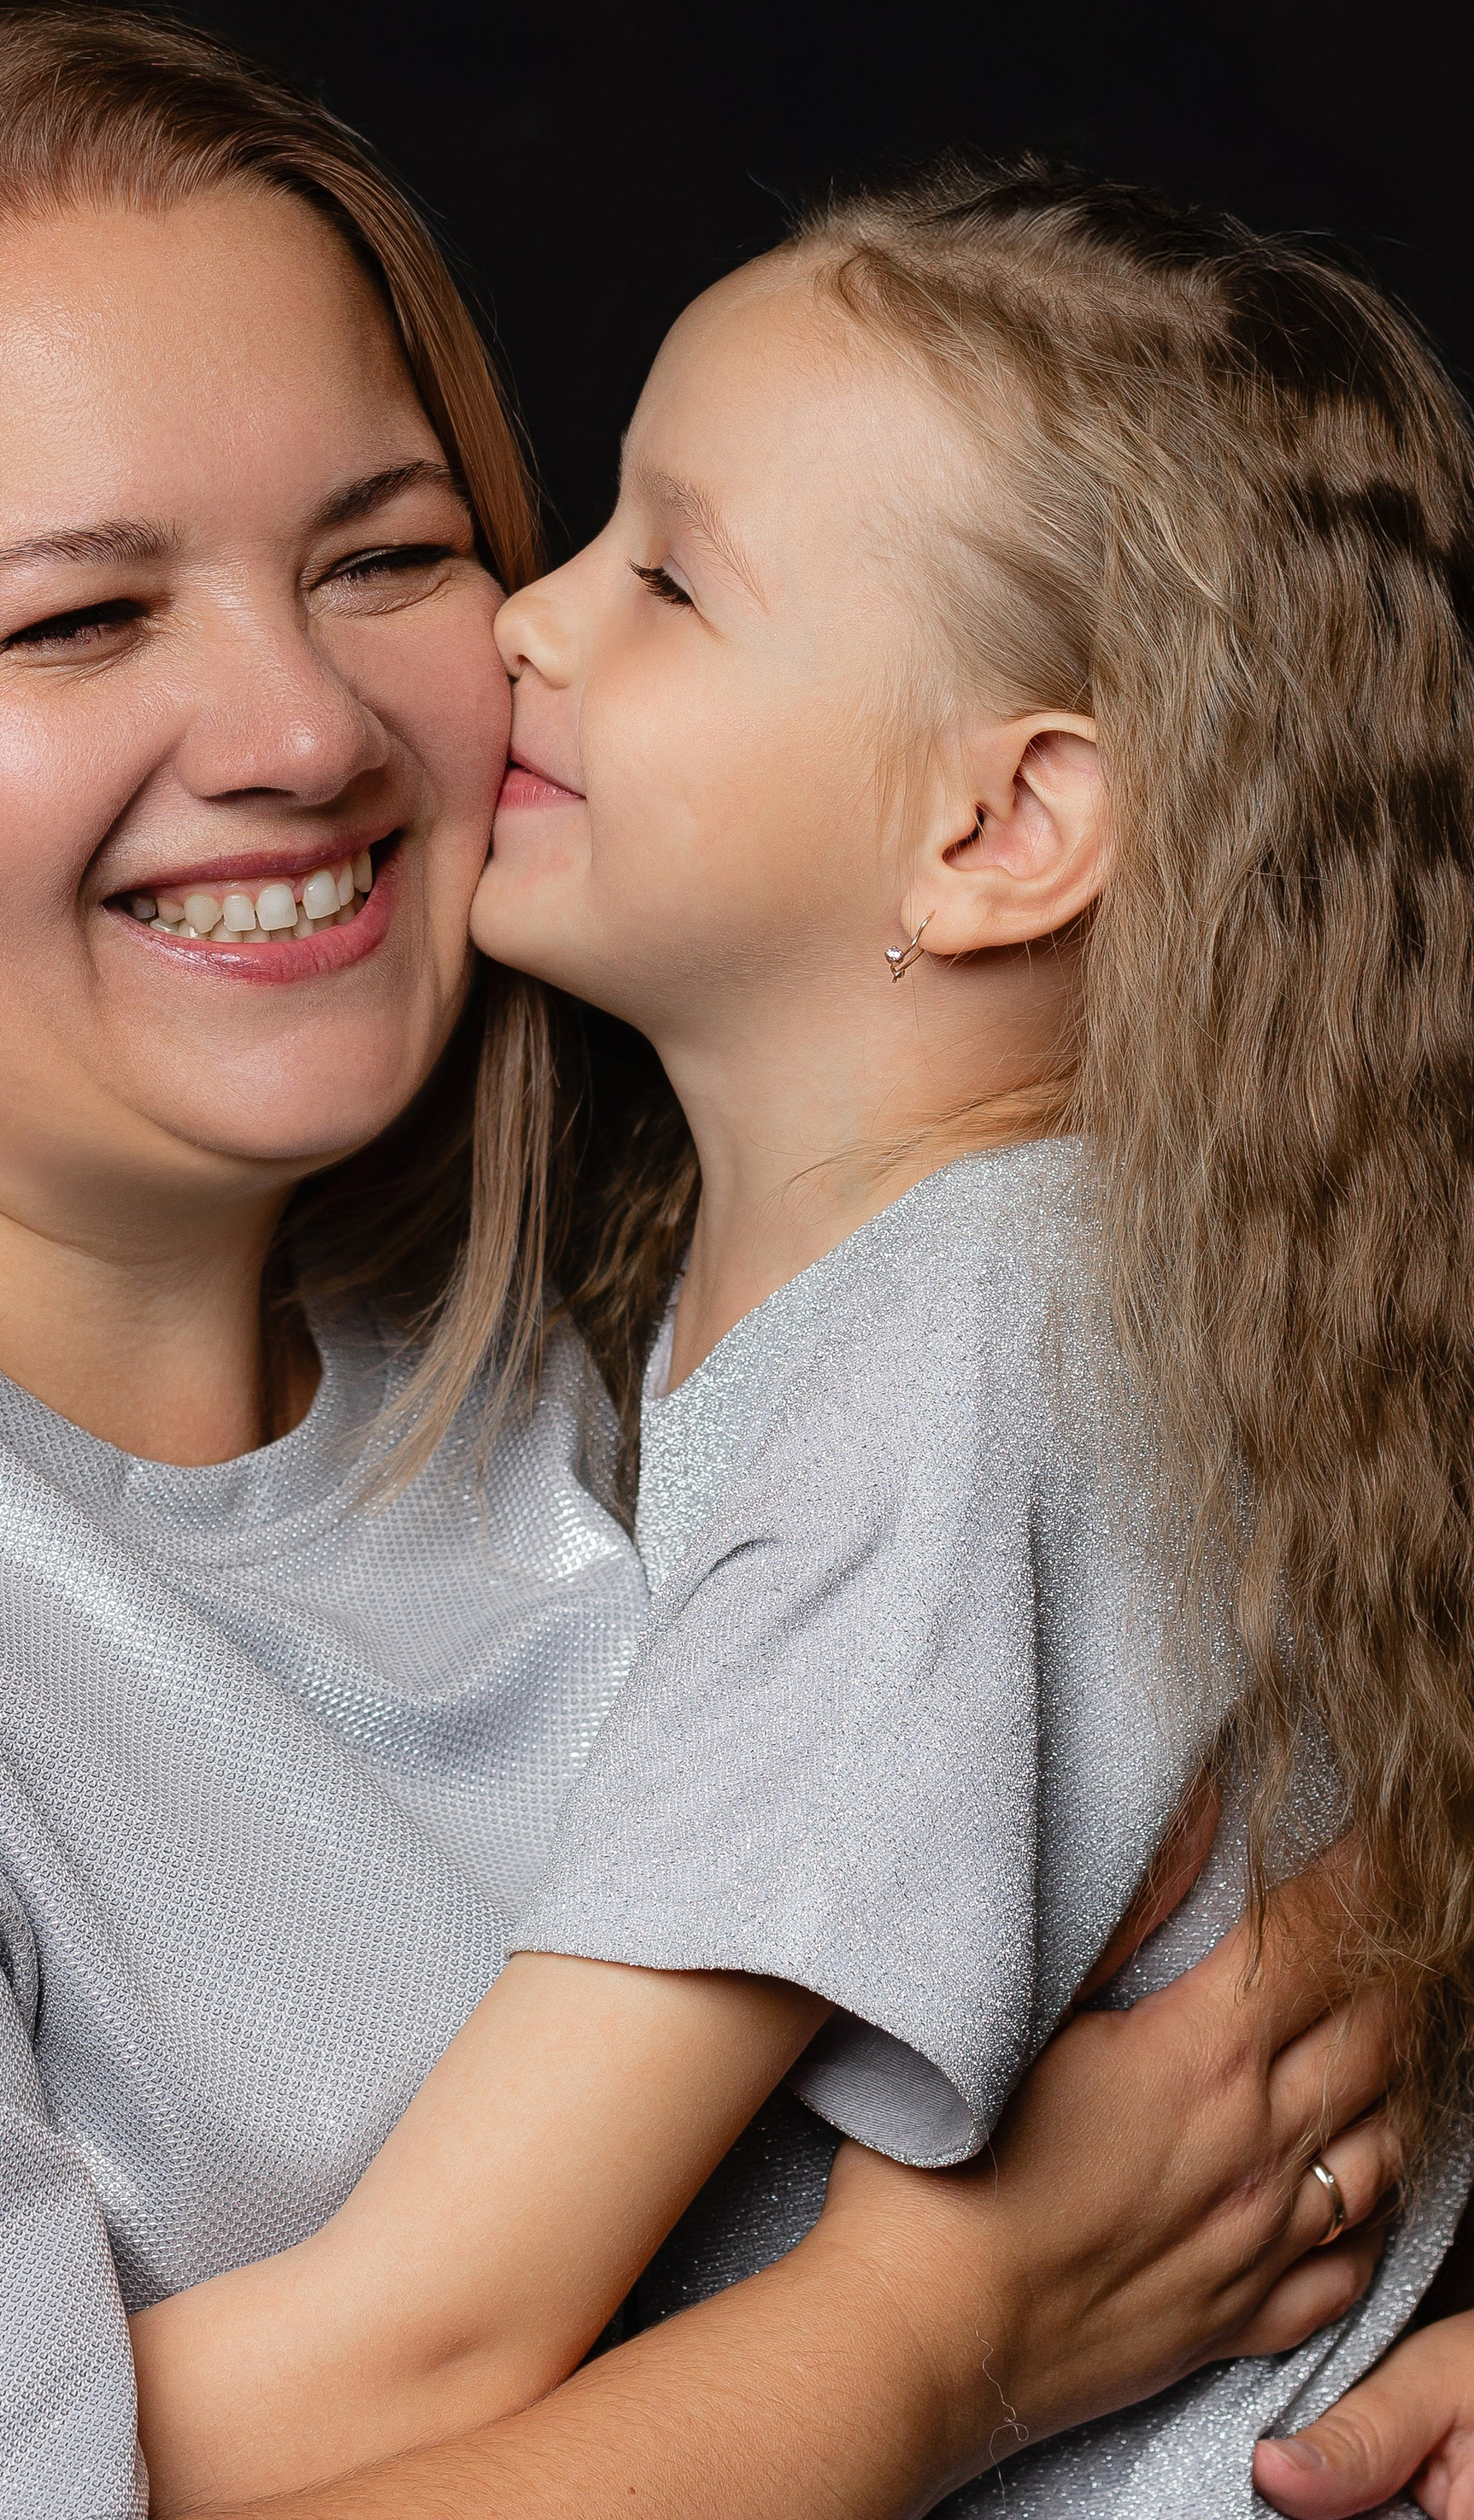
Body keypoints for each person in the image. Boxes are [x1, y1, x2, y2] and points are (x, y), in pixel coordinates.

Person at [0, 7, 1406, 2519]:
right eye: (78, 620)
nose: (306, 730)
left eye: (390, 558)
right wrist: (934, 2341)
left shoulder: (694, 1295)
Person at [128, 162, 1474, 2516]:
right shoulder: (910, 1311)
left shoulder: (958, 1364)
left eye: (668, 578)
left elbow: (440, 2331)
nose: (521, 619)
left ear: (1003, 826)